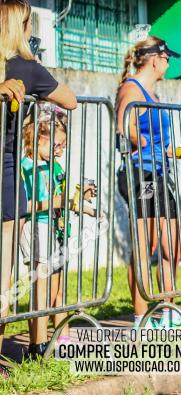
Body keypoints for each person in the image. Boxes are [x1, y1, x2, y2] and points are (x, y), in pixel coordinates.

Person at [0, 0, 76, 353]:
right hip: (7, 177)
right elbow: (71, 100)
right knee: (3, 273)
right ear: (22, 27)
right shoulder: (25, 68)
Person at [116, 35, 181, 329]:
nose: (169, 63)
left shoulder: (152, 94)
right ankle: (140, 320)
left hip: (158, 173)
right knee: (145, 246)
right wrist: (137, 137)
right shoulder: (131, 90)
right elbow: (123, 126)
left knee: (172, 246)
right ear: (156, 59)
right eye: (167, 58)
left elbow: (158, 140)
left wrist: (178, 153)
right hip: (139, 174)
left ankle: (170, 314)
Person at [20, 108, 98, 358]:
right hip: (37, 228)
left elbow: (63, 199)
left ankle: (60, 338)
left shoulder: (54, 167)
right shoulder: (26, 167)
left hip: (57, 229)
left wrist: (84, 204)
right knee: (40, 288)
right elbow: (25, 205)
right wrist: (56, 201)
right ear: (38, 136)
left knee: (57, 289)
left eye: (63, 145)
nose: (60, 150)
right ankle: (38, 345)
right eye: (57, 144)